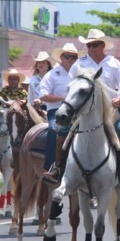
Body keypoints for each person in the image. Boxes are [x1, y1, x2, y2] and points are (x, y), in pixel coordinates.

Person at [43, 29, 120, 185]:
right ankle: (57, 168)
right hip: (84, 112)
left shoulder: (114, 63)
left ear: (103, 45)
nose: (91, 48)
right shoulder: (80, 63)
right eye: (89, 45)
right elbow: (71, 85)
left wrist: (119, 99)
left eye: (95, 44)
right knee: (63, 130)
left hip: (110, 111)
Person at [38, 43, 83, 180]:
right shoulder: (52, 75)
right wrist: (66, 99)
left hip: (78, 112)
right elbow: (43, 96)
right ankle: (52, 166)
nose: (70, 59)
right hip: (57, 111)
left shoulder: (81, 74)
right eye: (67, 56)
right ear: (61, 57)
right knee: (53, 129)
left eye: (73, 57)